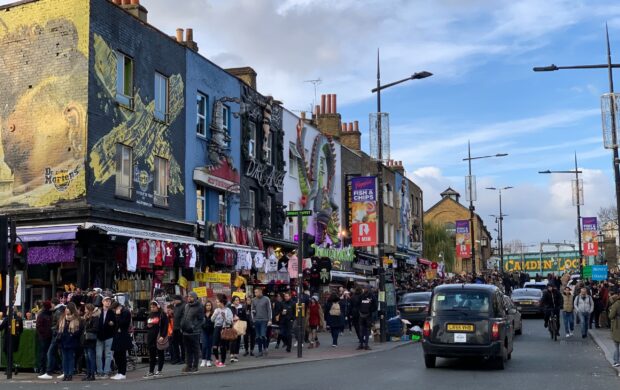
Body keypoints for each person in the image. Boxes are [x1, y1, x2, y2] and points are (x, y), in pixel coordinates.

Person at [38, 298, 65, 380]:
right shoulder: (58, 311)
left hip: (55, 335)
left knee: (50, 353)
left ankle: (49, 371)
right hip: (54, 335)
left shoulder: (57, 311)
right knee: (57, 353)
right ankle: (61, 370)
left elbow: (58, 323)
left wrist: (52, 329)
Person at [58, 302, 83, 382]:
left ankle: (70, 374)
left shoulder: (77, 318)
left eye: (67, 308)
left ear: (71, 309)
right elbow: (58, 327)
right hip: (63, 340)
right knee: (64, 358)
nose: (66, 310)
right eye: (66, 308)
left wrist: (73, 334)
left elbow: (79, 330)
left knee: (70, 358)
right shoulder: (63, 317)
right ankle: (65, 374)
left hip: (72, 340)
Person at [180, 292, 204, 373]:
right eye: (188, 296)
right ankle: (188, 366)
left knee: (195, 350)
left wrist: (194, 327)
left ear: (195, 297)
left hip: (194, 332)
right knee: (187, 350)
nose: (189, 298)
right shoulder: (186, 306)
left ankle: (195, 366)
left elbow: (201, 320)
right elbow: (184, 317)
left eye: (191, 297)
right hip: (185, 332)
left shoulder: (199, 307)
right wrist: (182, 325)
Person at [144, 301, 168, 378]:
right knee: (152, 354)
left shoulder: (162, 315)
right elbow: (146, 326)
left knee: (160, 353)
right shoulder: (150, 315)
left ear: (158, 306)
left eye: (153, 307)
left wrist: (163, 336)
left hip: (159, 336)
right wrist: (148, 326)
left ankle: (159, 370)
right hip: (151, 336)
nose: (152, 308)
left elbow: (165, 326)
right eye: (151, 307)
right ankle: (151, 371)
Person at [110, 301, 132, 380]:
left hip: (123, 335)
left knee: (122, 355)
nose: (114, 311)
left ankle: (123, 373)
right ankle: (119, 372)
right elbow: (116, 324)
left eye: (114, 309)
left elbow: (123, 323)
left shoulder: (126, 312)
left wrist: (118, 315)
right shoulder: (117, 313)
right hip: (117, 335)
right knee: (116, 354)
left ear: (118, 307)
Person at [96, 295, 115, 379]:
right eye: (106, 301)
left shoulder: (112, 312)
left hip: (109, 335)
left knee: (108, 354)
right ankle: (99, 371)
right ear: (102, 302)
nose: (108, 302)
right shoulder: (98, 311)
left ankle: (106, 371)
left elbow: (115, 323)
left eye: (109, 301)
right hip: (99, 335)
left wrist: (112, 323)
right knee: (98, 355)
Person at [211, 294, 233, 367]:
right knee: (214, 345)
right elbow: (212, 319)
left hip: (224, 328)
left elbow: (230, 322)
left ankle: (222, 361)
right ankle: (217, 359)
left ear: (222, 302)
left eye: (217, 301)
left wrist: (224, 317)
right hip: (217, 328)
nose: (216, 303)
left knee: (222, 346)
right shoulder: (216, 310)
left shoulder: (228, 310)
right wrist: (215, 314)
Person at [251, 288, 272, 357]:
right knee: (258, 336)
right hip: (257, 320)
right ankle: (260, 351)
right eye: (255, 292)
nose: (255, 294)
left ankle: (265, 347)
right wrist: (253, 319)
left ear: (260, 292)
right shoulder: (253, 300)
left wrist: (270, 320)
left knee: (263, 335)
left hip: (264, 320)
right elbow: (252, 309)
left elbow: (269, 310)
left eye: (256, 292)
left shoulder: (266, 299)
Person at [82, 303, 100, 382]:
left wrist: (87, 331)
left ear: (89, 309)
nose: (84, 310)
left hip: (90, 340)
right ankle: (88, 374)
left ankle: (92, 374)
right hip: (85, 340)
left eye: (86, 309)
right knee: (87, 358)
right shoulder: (86, 317)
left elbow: (96, 328)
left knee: (91, 358)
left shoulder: (94, 317)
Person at [35, 301, 53, 375]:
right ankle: (43, 368)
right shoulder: (45, 314)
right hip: (45, 337)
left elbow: (38, 326)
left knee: (45, 353)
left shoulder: (43, 314)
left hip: (46, 336)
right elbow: (39, 326)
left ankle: (45, 368)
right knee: (44, 353)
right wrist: (45, 333)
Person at [229, 295, 246, 363]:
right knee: (232, 340)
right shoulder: (230, 307)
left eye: (238, 300)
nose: (237, 301)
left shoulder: (241, 308)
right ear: (233, 301)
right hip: (232, 325)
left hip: (239, 325)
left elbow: (245, 317)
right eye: (236, 300)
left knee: (238, 340)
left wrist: (239, 318)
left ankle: (236, 354)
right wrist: (232, 318)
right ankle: (231, 354)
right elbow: (227, 315)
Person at [171, 295, 186, 364]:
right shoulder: (175, 306)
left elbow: (183, 317)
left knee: (182, 344)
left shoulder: (184, 306)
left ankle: (183, 358)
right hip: (175, 328)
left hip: (180, 328)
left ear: (178, 300)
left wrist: (181, 327)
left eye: (174, 300)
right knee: (175, 344)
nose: (173, 301)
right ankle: (177, 358)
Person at [200, 300, 215, 368]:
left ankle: (208, 360)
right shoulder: (202, 314)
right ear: (205, 306)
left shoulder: (213, 313)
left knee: (209, 346)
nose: (208, 307)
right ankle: (203, 360)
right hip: (204, 331)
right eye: (207, 305)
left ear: (211, 306)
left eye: (209, 305)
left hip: (211, 331)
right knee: (204, 346)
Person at [608, 288, 620, 367]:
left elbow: (611, 316)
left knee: (616, 345)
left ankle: (616, 361)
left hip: (617, 325)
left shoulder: (616, 304)